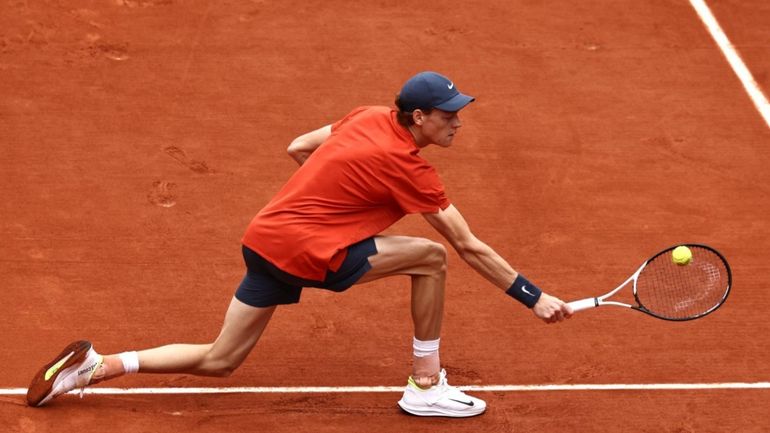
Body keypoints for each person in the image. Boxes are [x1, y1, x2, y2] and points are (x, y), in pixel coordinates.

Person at [26, 71, 573, 417]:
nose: (458, 122)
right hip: (309, 253)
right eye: (449, 114)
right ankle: (425, 384)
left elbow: (298, 147)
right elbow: (468, 245)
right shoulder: (409, 168)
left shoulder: (367, 117)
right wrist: (533, 296)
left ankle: (96, 366)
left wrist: (343, 207)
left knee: (222, 359)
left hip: (265, 240)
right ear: (419, 117)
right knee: (431, 257)